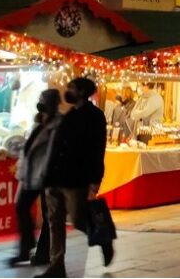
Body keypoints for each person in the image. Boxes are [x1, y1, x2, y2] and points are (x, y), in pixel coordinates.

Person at [39, 78, 111, 278]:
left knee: (79, 220)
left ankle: (103, 239)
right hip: (56, 177)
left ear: (81, 91)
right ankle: (56, 265)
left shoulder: (94, 116)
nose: (67, 91)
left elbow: (97, 149)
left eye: (71, 88)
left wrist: (95, 180)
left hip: (76, 178)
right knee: (55, 221)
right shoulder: (70, 114)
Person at [11, 89, 61, 267]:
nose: (40, 103)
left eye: (43, 100)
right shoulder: (39, 123)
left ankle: (42, 253)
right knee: (21, 207)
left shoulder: (57, 125)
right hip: (32, 175)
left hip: (48, 176)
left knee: (49, 216)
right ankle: (26, 247)